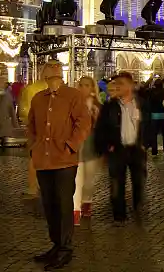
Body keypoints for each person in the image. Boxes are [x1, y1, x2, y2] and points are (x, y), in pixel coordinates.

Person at [26, 62, 90, 271]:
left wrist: (70, 145)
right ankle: (56, 243)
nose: (53, 76)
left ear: (61, 76)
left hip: (64, 160)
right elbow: (31, 125)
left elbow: (83, 123)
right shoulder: (38, 99)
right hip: (44, 160)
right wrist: (34, 145)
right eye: (49, 73)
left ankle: (65, 248)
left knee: (63, 204)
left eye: (56, 73)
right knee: (49, 204)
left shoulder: (73, 96)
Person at [95, 72, 148, 224]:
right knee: (117, 183)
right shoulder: (110, 106)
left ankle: (138, 208)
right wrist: (107, 146)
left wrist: (145, 143)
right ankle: (119, 215)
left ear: (131, 85)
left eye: (122, 83)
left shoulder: (141, 104)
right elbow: (101, 128)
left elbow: (148, 124)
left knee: (139, 181)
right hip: (117, 149)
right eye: (117, 83)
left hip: (137, 149)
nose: (118, 86)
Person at [73, 76, 101, 224]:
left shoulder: (97, 106)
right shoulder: (73, 103)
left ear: (92, 88)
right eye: (81, 85)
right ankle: (75, 209)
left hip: (92, 145)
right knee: (77, 179)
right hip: (77, 146)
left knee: (89, 180)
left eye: (87, 85)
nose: (83, 88)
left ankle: (87, 202)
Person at [19, 74, 48, 202]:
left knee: (34, 158)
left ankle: (34, 187)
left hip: (38, 130)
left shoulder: (31, 89)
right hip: (42, 131)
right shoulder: (33, 90)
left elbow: (25, 110)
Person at [0, 78, 16, 171]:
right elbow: (12, 110)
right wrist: (15, 123)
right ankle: (2, 147)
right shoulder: (7, 94)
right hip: (1, 120)